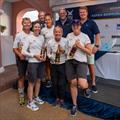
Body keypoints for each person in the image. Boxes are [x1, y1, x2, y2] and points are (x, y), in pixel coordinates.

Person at [66, 19, 92, 116]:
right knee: (73, 83)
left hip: (81, 62)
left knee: (81, 84)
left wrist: (80, 47)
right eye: (74, 25)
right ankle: (74, 105)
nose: (75, 27)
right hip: (70, 61)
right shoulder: (69, 36)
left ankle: (86, 88)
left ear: (80, 26)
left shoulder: (85, 37)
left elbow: (90, 52)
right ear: (72, 27)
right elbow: (66, 48)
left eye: (77, 25)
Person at [22, 21, 45, 111]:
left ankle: (36, 97)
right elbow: (23, 51)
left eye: (39, 27)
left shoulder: (42, 37)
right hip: (32, 63)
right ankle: (30, 102)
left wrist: (44, 56)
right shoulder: (28, 38)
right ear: (33, 28)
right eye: (35, 27)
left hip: (41, 62)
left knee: (38, 81)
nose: (37, 28)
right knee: (31, 82)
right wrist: (34, 55)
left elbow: (43, 49)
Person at [79, 6, 100, 93]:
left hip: (89, 47)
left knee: (90, 65)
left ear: (87, 13)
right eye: (80, 12)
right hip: (79, 47)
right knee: (80, 65)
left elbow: (97, 34)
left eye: (84, 12)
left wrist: (96, 45)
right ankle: (82, 83)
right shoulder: (77, 23)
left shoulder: (92, 23)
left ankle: (93, 83)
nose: (82, 14)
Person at [13, 17, 32, 105]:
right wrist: (20, 55)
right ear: (22, 24)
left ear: (30, 24)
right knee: (21, 77)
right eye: (25, 23)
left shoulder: (33, 34)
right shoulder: (19, 35)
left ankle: (30, 96)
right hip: (21, 60)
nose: (27, 24)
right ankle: (21, 96)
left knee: (31, 77)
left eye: (28, 23)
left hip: (31, 59)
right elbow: (14, 48)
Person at [47, 26, 67, 107]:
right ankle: (57, 98)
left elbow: (69, 53)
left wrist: (64, 51)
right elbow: (48, 53)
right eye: (56, 32)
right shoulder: (50, 42)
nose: (57, 33)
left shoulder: (65, 41)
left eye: (59, 32)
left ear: (61, 33)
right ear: (54, 33)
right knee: (54, 82)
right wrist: (52, 57)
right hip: (53, 65)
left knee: (62, 83)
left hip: (62, 64)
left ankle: (62, 99)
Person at [41, 13, 55, 88]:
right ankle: (48, 79)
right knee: (47, 66)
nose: (47, 21)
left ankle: (55, 79)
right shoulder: (43, 30)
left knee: (54, 65)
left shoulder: (55, 28)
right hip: (46, 50)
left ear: (51, 20)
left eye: (48, 19)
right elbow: (42, 40)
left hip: (55, 50)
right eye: (46, 20)